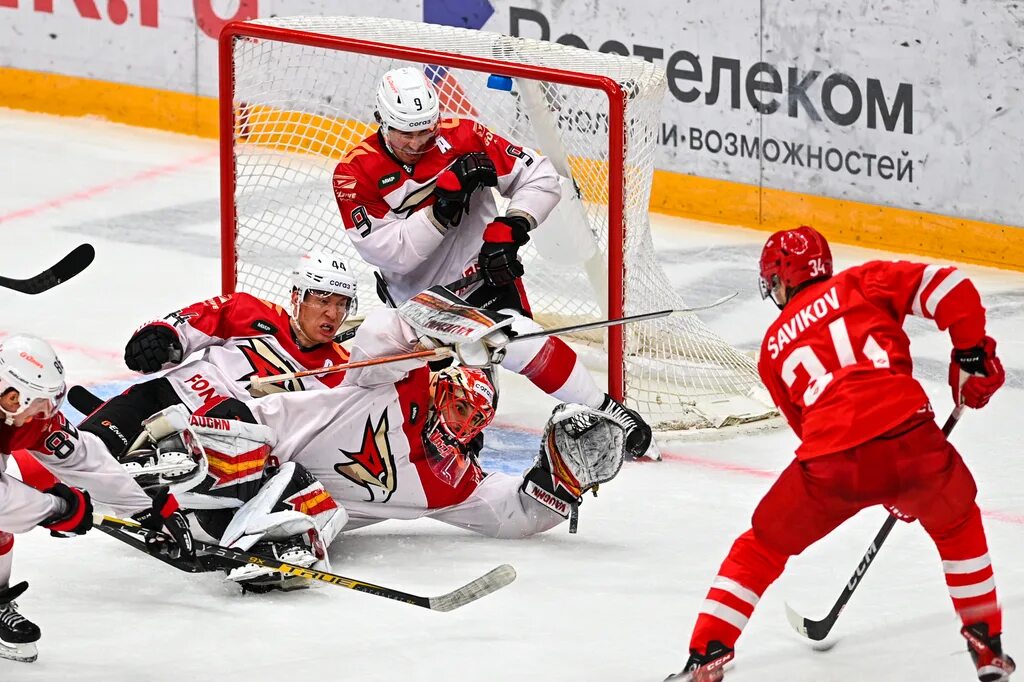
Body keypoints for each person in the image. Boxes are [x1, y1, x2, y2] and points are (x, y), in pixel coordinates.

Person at [668, 226, 1014, 682]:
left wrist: (873, 479)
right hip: (912, 443)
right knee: (959, 527)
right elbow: (952, 288)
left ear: (782, 280)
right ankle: (986, 645)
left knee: (760, 548)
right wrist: (970, 354)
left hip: (832, 464)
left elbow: (810, 430)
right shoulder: (862, 284)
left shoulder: (772, 349)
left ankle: (707, 654)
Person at [135, 306, 627, 593]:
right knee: (262, 453)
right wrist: (460, 328)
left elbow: (510, 515)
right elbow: (381, 331)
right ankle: (180, 482)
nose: (462, 422)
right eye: (458, 404)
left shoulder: (450, 479)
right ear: (441, 383)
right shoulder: (396, 381)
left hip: (263, 503)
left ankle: (269, 551)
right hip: (222, 445)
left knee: (314, 508)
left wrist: (565, 477)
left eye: (475, 419)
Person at [331, 66, 653, 460]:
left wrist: (511, 227)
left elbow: (541, 176)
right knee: (427, 411)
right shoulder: (353, 173)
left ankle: (607, 411)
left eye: (425, 130)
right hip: (420, 304)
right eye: (405, 132)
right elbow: (392, 253)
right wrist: (443, 207)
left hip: (485, 280)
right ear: (381, 121)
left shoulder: (464, 137)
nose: (417, 142)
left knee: (517, 341)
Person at [0, 335, 192, 662]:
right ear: (14, 396)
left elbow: (81, 457)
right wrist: (59, 509)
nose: (44, 415)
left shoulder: (19, 411)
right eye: (40, 405)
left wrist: (147, 506)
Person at [79, 252, 357, 460]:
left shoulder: (344, 371)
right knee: (85, 449)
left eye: (341, 305)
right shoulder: (248, 310)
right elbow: (184, 325)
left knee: (231, 414)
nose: (333, 314)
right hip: (171, 396)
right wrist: (158, 338)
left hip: (230, 438)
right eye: (323, 301)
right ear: (297, 297)